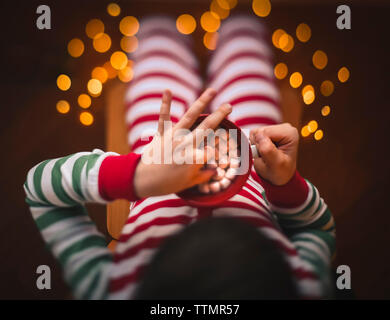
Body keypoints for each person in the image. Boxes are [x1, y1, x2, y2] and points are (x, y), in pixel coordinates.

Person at [24, 15, 335, 299]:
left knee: (158, 37)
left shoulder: (110, 291)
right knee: (244, 35)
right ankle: (236, 30)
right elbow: (316, 230)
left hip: (158, 151)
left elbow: (40, 188)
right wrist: (285, 185)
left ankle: (163, 27)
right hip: (254, 161)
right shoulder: (303, 287)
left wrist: (138, 174)